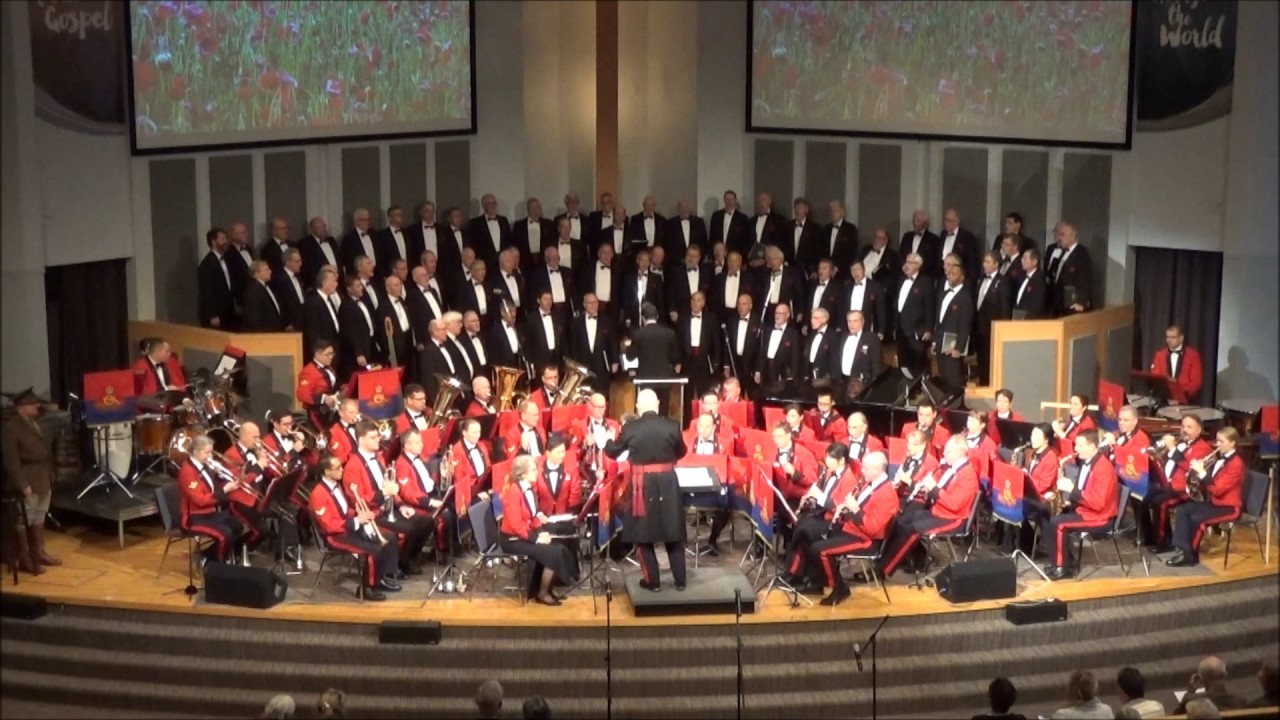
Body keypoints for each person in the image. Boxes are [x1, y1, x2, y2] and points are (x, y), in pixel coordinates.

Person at [604, 389, 687, 592]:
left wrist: (607, 439)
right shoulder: (672, 425)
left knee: (643, 533)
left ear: (638, 407)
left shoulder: (631, 428)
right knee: (672, 529)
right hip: (668, 483)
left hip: (642, 484)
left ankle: (653, 582)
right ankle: (680, 581)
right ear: (658, 404)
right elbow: (681, 452)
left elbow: (613, 452)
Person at [797, 448, 896, 606]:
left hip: (866, 540)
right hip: (852, 528)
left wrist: (855, 509)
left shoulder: (887, 494)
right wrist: (845, 508)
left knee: (820, 550)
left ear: (878, 470)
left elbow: (872, 528)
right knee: (809, 533)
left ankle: (839, 588)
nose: (862, 471)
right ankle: (817, 582)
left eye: (866, 468)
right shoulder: (870, 483)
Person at [875, 436, 978, 578]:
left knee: (911, 529)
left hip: (953, 519)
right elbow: (941, 491)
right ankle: (885, 559)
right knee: (902, 521)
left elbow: (954, 505)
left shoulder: (967, 475)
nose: (944, 454)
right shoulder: (951, 469)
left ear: (959, 453)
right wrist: (926, 488)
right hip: (939, 511)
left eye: (948, 452)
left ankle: (884, 569)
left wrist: (933, 489)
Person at [343, 420, 430, 576]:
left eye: (377, 436)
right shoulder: (352, 466)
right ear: (361, 440)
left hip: (389, 508)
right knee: (409, 529)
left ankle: (406, 559)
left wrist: (402, 505)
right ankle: (398, 566)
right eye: (373, 437)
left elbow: (390, 486)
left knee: (427, 521)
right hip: (372, 514)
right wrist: (383, 494)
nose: (378, 440)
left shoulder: (379, 458)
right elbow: (357, 500)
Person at [310, 454, 400, 600]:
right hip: (335, 536)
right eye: (338, 468)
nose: (342, 470)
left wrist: (361, 513)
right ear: (326, 472)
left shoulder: (336, 486)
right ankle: (366, 589)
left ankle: (379, 578)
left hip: (348, 528)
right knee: (373, 550)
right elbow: (328, 525)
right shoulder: (318, 494)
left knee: (388, 537)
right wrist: (357, 521)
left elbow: (343, 510)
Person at [500, 456, 580, 605]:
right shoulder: (513, 492)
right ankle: (542, 592)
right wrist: (536, 539)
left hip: (524, 534)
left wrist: (541, 531)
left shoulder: (528, 489)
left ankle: (548, 587)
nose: (537, 472)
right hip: (512, 539)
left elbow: (534, 515)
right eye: (533, 470)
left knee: (559, 544)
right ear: (523, 474)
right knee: (552, 552)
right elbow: (516, 525)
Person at [1045, 430, 1120, 581]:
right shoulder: (1087, 463)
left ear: (1092, 447)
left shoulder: (1103, 468)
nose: (1075, 449)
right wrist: (1069, 500)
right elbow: (1085, 489)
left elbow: (1098, 503)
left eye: (1080, 445)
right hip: (1085, 509)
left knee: (1058, 524)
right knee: (1049, 518)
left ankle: (1062, 567)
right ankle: (1065, 561)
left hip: (1100, 517)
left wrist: (1071, 490)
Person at [1167, 427, 1246, 568]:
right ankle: (1183, 548)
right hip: (1214, 502)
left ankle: (1190, 556)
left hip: (1229, 507)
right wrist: (1196, 472)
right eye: (1217, 441)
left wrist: (1203, 473)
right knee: (1183, 510)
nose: (1217, 445)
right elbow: (1211, 483)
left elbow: (1218, 490)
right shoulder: (1218, 458)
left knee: (1198, 519)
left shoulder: (1236, 464)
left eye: (1221, 441)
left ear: (1232, 443)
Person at [2, 389, 58, 575]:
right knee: (26, 517)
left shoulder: (34, 422)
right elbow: (11, 460)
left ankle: (39, 552)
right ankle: (25, 558)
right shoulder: (12, 428)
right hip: (29, 480)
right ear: (22, 407)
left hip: (42, 477)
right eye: (32, 403)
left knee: (40, 515)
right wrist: (22, 483)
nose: (37, 405)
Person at [1144, 414, 1213, 552]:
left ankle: (1164, 542)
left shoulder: (1203, 447)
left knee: (1161, 503)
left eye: (1189, 427)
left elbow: (1191, 469)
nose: (1184, 430)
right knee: (1145, 496)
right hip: (1170, 484)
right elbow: (1169, 461)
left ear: (1199, 430)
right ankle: (1150, 536)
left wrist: (1172, 449)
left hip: (1187, 489)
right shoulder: (1181, 444)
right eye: (1183, 426)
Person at [177, 434, 247, 566]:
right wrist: (225, 490)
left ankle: (208, 556)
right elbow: (201, 500)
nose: (210, 456)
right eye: (207, 452)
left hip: (209, 513)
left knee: (237, 526)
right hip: (193, 518)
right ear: (196, 452)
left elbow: (213, 488)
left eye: (211, 451)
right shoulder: (187, 472)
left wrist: (227, 479)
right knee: (224, 534)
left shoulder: (205, 465)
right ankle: (218, 566)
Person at [893, 253, 934, 378]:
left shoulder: (925, 282)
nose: (906, 265)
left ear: (918, 265)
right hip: (901, 329)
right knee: (903, 363)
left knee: (918, 364)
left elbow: (929, 306)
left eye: (910, 262)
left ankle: (922, 390)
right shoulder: (901, 279)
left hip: (917, 330)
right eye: (906, 261)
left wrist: (928, 328)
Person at [1045, 222, 1092, 316]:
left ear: (1072, 236)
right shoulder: (1062, 251)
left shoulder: (1081, 253)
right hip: (1057, 301)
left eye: (1062, 234)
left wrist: (1081, 301)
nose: (1059, 237)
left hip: (1071, 302)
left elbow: (1084, 279)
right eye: (1058, 234)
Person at [1173, 656, 1248, 714]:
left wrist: (1190, 691)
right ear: (1225, 674)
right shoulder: (1240, 700)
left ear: (1201, 678)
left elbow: (1177, 716)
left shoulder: (1193, 701)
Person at [1149, 325, 1204, 403]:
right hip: (1163, 401)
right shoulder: (1160, 355)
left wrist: (1180, 397)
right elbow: (1156, 377)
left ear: (1181, 338)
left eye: (1172, 337)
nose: (1169, 340)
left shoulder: (1193, 355)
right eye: (1167, 337)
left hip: (1186, 402)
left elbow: (1196, 382)